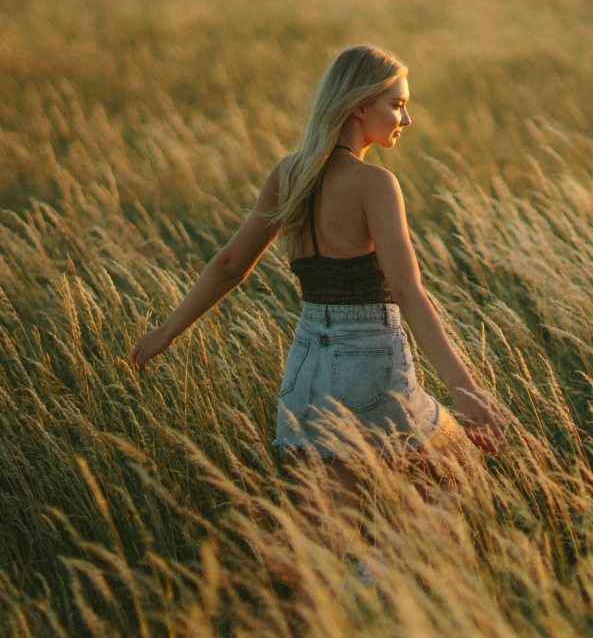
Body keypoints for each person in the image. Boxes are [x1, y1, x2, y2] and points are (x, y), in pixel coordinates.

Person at [130, 44, 509, 547]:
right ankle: (396, 593)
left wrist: (166, 332)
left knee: (329, 543)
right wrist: (465, 391)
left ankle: (350, 599)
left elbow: (228, 266)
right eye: (397, 104)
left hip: (304, 370)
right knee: (459, 470)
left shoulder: (290, 175)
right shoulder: (375, 183)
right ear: (359, 106)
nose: (407, 118)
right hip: (370, 366)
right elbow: (406, 290)